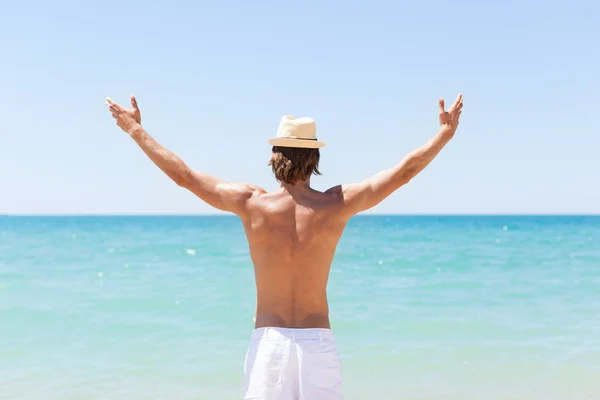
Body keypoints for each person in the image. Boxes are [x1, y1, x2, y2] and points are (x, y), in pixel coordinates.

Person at [105, 93, 463, 400]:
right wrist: (444, 135)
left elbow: (182, 176)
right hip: (318, 343)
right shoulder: (335, 204)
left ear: (275, 155)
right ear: (315, 158)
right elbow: (402, 173)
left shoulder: (251, 203)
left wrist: (135, 130)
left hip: (269, 345)